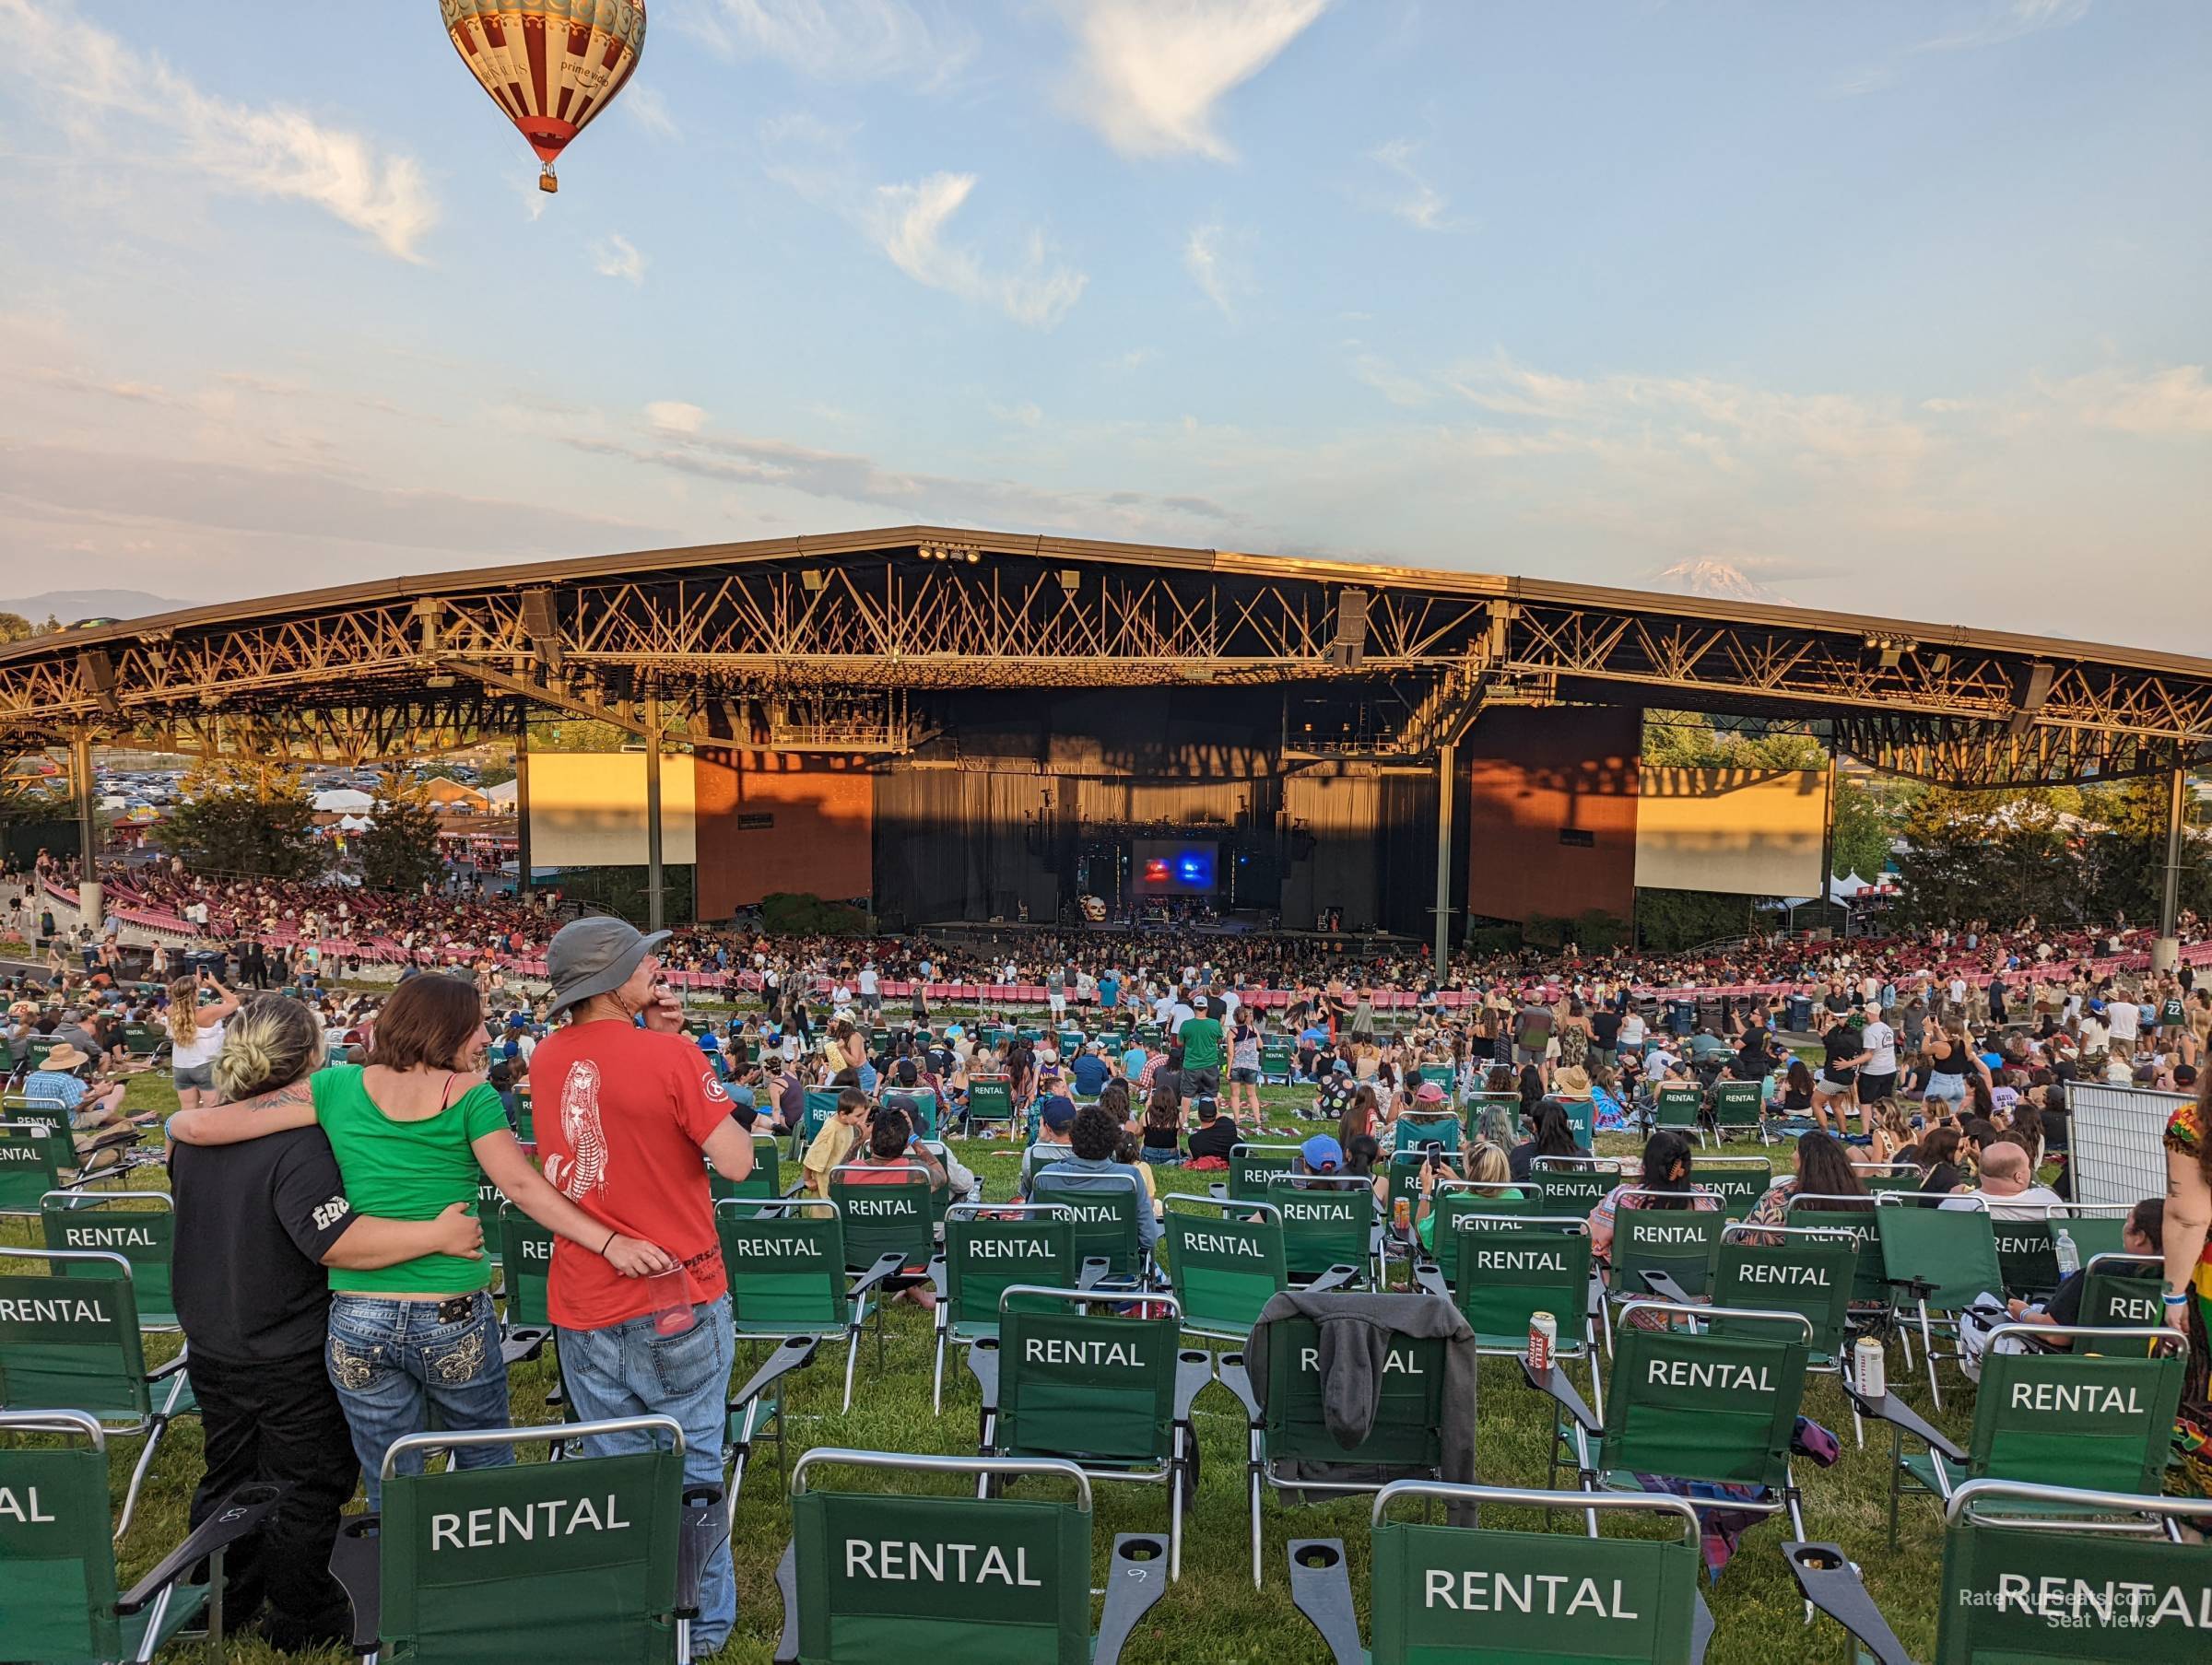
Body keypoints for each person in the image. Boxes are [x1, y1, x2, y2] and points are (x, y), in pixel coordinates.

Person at [167, 973, 674, 1508]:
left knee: (392, 1479)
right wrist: (610, 1242)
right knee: (485, 1466)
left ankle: (407, 1581)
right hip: (448, 1313)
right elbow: (523, 1188)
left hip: (357, 1321)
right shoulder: (471, 1096)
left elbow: (202, 1127)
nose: (484, 1037)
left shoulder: (336, 1086)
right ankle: (484, 1575)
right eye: (476, 1024)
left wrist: (175, 1122)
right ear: (447, 1028)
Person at [170, 996, 486, 1652]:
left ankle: (218, 1597)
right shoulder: (302, 1143)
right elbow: (337, 1240)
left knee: (228, 1470)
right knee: (305, 1482)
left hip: (214, 1332)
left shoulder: (201, 1133)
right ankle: (302, 1615)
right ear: (311, 1058)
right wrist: (437, 1233)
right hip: (284, 1341)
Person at [525, 918, 761, 1654]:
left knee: (622, 1471)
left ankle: (639, 1612)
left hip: (585, 1296)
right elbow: (738, 1161)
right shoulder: (673, 1054)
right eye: (645, 961)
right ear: (612, 976)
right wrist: (684, 1058)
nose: (657, 970)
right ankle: (707, 1624)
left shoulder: (544, 1057)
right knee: (692, 1465)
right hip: (676, 1296)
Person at [1031, 1102, 1162, 1256]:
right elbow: (1149, 1238)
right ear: (1113, 1141)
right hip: (1118, 1273)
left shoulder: (1047, 1177)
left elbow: (1030, 1230)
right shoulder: (1129, 1178)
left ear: (1073, 1138)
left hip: (1059, 1269)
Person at [167, 970, 241, 1109]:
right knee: (211, 1108)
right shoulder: (207, 1013)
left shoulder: (171, 1011)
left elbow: (180, 1001)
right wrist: (214, 983)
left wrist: (193, 983)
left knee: (187, 1108)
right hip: (205, 1064)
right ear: (196, 993)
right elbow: (234, 1002)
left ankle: (186, 1131)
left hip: (181, 1065)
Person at [800, 1087, 871, 1197]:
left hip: (841, 1178)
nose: (862, 1119)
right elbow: (813, 1155)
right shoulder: (831, 1130)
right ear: (843, 1114)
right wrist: (808, 1179)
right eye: (858, 1116)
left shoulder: (847, 1123)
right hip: (826, 1181)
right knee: (827, 1212)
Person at [1184, 1096, 1240, 1165]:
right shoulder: (1229, 1124)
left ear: (1198, 1115)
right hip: (1231, 1157)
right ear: (1216, 1114)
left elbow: (1198, 1160)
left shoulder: (1194, 1140)